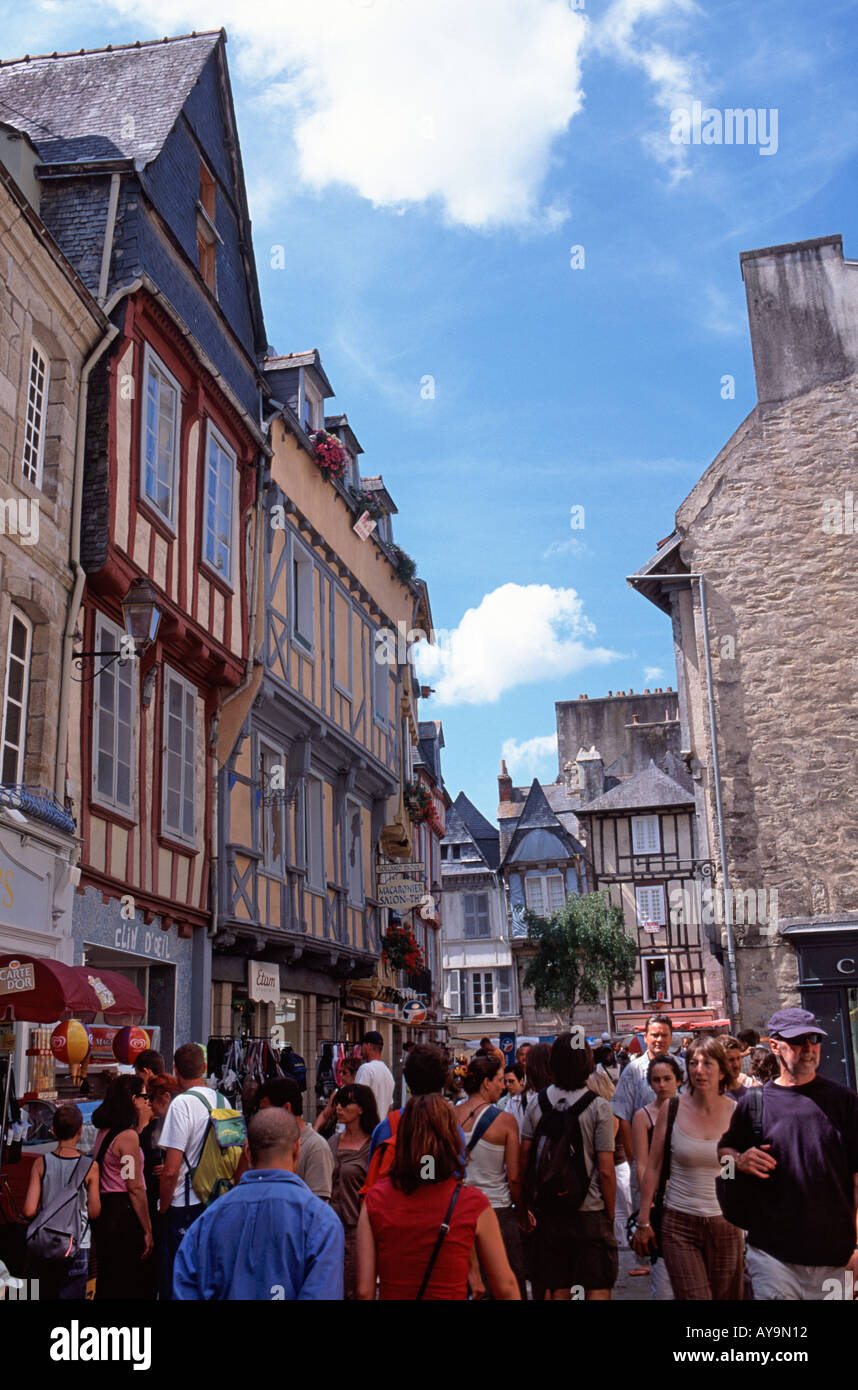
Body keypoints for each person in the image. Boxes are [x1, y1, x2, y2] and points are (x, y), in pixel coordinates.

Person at [718, 1006, 858, 1301]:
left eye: (814, 1040)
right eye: (798, 1041)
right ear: (774, 1045)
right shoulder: (753, 1104)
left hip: (836, 1259)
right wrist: (737, 1162)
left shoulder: (844, 1102)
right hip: (772, 1256)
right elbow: (723, 1163)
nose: (808, 1049)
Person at [356, 1094, 520, 1300]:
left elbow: (364, 1291)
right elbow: (506, 1288)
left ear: (402, 1140)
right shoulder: (473, 1204)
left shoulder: (375, 1201)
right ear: (451, 1138)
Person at [173, 1109, 344, 1299]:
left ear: (247, 1153)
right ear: (297, 1149)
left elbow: (185, 1290)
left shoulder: (208, 1221)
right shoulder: (321, 1221)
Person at [633, 1036, 742, 1300]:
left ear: (721, 1069)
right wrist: (644, 1220)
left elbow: (739, 1172)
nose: (700, 1070)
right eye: (694, 1063)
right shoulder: (673, 1108)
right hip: (679, 1222)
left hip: (725, 1222)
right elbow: (654, 1166)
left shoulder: (737, 1112)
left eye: (708, 1063)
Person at [521, 1033, 618, 1301]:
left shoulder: (537, 1102)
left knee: (559, 1285)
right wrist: (609, 1213)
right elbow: (607, 1169)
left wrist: (526, 1203)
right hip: (590, 1208)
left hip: (551, 1209)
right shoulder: (599, 1106)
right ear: (587, 1062)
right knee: (596, 1284)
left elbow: (524, 1157)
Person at [157, 1042, 229, 1300]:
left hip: (184, 1205)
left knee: (178, 1280)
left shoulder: (181, 1104)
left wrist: (163, 1207)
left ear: (175, 1069)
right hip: (216, 1200)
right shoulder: (223, 1100)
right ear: (205, 1067)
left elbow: (171, 1169)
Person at [457, 1054, 525, 1297]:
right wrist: (521, 1211)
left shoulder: (450, 1116)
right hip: (497, 1209)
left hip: (461, 1211)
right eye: (498, 1080)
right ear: (486, 1083)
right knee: (506, 1282)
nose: (503, 1085)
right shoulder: (506, 1122)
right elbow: (514, 1177)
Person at [22, 1103, 100, 1300]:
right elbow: (94, 1211)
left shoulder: (41, 1163)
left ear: (53, 1130)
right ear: (81, 1130)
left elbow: (29, 1210)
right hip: (77, 1246)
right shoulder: (90, 1167)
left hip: (44, 1247)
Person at [612, 1014, 683, 1218]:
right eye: (654, 1035)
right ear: (645, 1037)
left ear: (671, 1038)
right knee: (646, 1222)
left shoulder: (683, 1067)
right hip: (644, 1157)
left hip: (679, 1161)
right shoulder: (632, 1071)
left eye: (664, 1035)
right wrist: (634, 1158)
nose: (659, 1040)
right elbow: (623, 1117)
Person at [91, 1074, 155, 1300]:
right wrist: (147, 1229)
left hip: (105, 1213)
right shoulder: (128, 1137)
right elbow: (135, 1187)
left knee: (109, 1275)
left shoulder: (106, 1131)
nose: (149, 1102)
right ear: (133, 1098)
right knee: (126, 1279)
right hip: (123, 1215)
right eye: (145, 1096)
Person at [363, 1043, 452, 1191]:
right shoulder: (451, 1130)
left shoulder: (386, 1128)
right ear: (443, 1082)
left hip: (392, 1210)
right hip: (436, 1210)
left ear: (408, 1079)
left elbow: (372, 1179)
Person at [631, 1054, 682, 1300]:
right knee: (662, 1279)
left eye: (666, 1079)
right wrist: (648, 1203)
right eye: (656, 1080)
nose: (661, 1085)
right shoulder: (644, 1116)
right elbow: (642, 1163)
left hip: (687, 1196)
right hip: (660, 1199)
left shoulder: (689, 1111)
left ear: (678, 1080)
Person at [328, 1083, 379, 1298]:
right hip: (330, 1229)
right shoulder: (332, 1142)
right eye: (337, 1103)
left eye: (346, 1103)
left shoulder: (373, 1147)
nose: (339, 1108)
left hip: (356, 1231)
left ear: (361, 1108)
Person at [248, 1076, 335, 1200]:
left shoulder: (316, 1147)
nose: (262, 1118)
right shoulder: (266, 1144)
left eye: (265, 1111)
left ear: (286, 1108)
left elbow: (317, 1205)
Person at [314, 1055, 360, 1137]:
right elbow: (325, 1115)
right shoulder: (338, 1092)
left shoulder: (362, 1094)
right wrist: (315, 1130)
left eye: (345, 1073)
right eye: (340, 1072)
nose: (341, 1075)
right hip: (339, 1136)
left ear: (355, 1074)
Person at [355, 1032, 395, 1120]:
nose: (361, 1049)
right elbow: (389, 1107)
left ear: (368, 1046)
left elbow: (357, 1100)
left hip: (365, 1129)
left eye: (362, 1045)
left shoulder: (366, 1069)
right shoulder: (388, 1073)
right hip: (379, 1129)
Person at [722, 1036, 755, 1101]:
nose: (736, 1064)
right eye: (731, 1060)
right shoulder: (710, 1096)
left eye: (738, 1058)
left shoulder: (752, 1094)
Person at [500, 1063, 528, 1132]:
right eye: (505, 1081)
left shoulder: (530, 1099)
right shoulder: (501, 1103)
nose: (507, 1084)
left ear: (521, 1081)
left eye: (511, 1081)